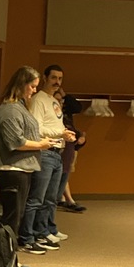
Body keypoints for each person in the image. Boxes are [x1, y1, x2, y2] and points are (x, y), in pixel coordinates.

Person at [0, 66, 53, 256]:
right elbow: (15, 142)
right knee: (12, 217)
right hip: (10, 169)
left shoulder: (20, 107)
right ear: (21, 85)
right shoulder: (9, 110)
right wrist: (42, 145)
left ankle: (9, 258)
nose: (34, 90)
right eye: (32, 86)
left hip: (20, 169)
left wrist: (44, 142)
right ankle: (6, 260)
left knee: (17, 215)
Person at [24, 64, 77, 249]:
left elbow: (54, 126)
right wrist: (60, 133)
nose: (57, 82)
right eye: (54, 78)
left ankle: (47, 229)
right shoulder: (38, 99)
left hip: (57, 153)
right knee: (38, 197)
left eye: (60, 79)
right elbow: (37, 129)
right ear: (45, 78)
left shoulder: (52, 100)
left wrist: (65, 133)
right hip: (45, 152)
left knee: (51, 197)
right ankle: (33, 235)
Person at [55, 85, 87, 213]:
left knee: (66, 174)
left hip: (70, 147)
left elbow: (77, 108)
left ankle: (65, 198)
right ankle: (68, 200)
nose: (59, 103)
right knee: (60, 174)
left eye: (61, 101)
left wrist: (65, 96)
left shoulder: (66, 112)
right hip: (56, 149)